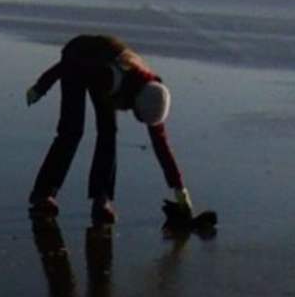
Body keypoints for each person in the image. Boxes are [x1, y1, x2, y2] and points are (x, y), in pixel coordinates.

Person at [24, 34, 190, 224]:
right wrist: (41, 86)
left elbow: (161, 144)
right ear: (131, 101)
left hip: (104, 67)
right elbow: (65, 68)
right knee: (71, 130)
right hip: (76, 57)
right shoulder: (109, 77)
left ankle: (102, 199)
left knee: (108, 133)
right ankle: (43, 194)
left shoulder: (154, 94)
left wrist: (180, 190)